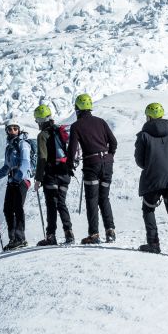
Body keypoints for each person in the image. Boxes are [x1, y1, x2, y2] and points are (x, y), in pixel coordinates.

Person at [134, 102, 168, 255]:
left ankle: (153, 244)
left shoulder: (143, 136)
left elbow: (140, 161)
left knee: (148, 209)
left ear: (149, 116)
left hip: (152, 179)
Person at [66, 93, 117, 244]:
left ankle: (94, 234)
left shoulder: (76, 126)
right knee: (104, 198)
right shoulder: (101, 122)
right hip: (107, 164)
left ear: (78, 109)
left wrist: (69, 166)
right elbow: (113, 142)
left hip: (91, 165)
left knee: (92, 200)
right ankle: (110, 231)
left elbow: (72, 150)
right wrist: (109, 157)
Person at [0, 119, 33, 251]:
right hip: (12, 181)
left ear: (19, 130)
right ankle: (13, 239)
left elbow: (25, 163)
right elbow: (6, 167)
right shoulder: (9, 148)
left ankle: (20, 239)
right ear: (6, 131)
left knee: (18, 208)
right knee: (7, 209)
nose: (12, 131)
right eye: (10, 129)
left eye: (15, 128)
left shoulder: (23, 144)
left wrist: (18, 178)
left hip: (22, 181)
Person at [32, 104, 75, 245]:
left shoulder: (42, 136)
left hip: (51, 174)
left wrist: (38, 179)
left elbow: (42, 158)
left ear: (40, 120)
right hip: (65, 172)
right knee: (61, 203)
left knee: (51, 204)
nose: (37, 123)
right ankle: (69, 233)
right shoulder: (60, 131)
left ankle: (51, 236)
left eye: (37, 119)